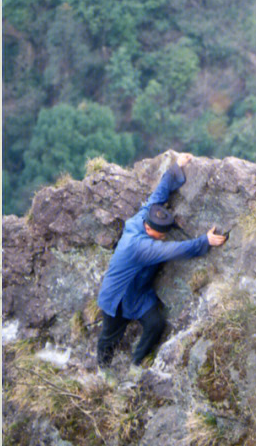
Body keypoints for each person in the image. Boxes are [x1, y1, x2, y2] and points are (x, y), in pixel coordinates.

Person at [96, 153, 227, 376]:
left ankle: (135, 366)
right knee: (110, 337)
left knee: (155, 324)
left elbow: (159, 194)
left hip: (139, 291)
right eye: (160, 234)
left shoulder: (146, 215)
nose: (164, 237)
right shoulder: (138, 246)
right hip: (118, 295)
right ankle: (103, 372)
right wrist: (204, 241)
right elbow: (174, 250)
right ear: (149, 229)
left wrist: (177, 167)